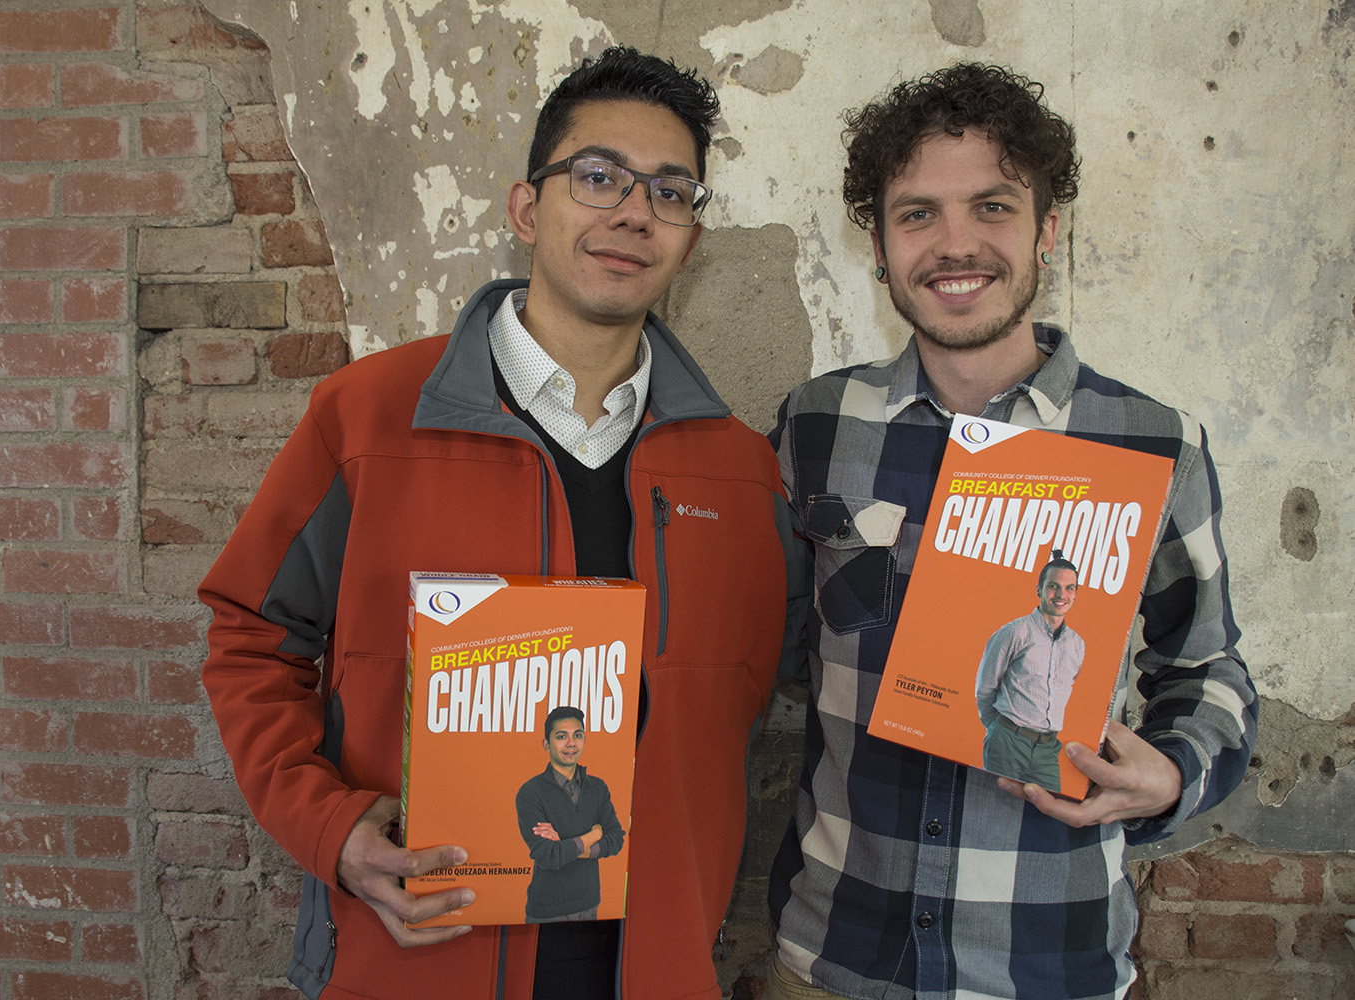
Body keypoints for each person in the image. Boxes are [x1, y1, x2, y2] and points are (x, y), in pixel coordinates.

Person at [199, 46, 802, 1000]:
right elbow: (248, 640)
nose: (633, 212)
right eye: (598, 176)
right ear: (528, 208)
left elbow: (750, 710)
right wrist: (332, 828)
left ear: (691, 237)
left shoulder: (742, 472)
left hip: (654, 970)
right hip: (412, 961)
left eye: (671, 192)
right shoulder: (365, 418)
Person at [767, 63, 1257, 1000]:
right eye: (918, 215)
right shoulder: (816, 426)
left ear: (1048, 231)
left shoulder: (1157, 444)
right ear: (877, 245)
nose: (957, 246)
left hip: (1047, 964)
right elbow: (783, 646)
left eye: (992, 207)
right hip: (831, 957)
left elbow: (1210, 671)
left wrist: (1175, 774)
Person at [974, 549, 1086, 790]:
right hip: (1007, 741)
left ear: (1076, 594)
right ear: (1039, 589)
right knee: (995, 808)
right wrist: (999, 729)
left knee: (1048, 810)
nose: (1061, 594)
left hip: (1048, 749)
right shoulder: (1014, 632)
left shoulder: (1077, 645)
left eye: (1069, 588)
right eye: (1053, 586)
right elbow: (985, 688)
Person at [515, 706, 626, 922]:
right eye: (561, 736)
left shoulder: (598, 788)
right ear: (546, 743)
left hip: (590, 905)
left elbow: (616, 839)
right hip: (546, 912)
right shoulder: (530, 792)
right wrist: (593, 835)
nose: (571, 743)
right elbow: (548, 856)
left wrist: (565, 847)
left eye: (577, 735)